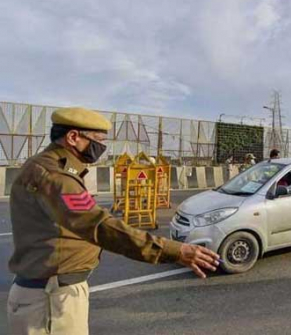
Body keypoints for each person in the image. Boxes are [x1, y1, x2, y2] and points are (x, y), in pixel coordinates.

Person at [7, 107, 220, 335]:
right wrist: (173, 251)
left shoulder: (46, 166)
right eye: (97, 140)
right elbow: (100, 225)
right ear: (73, 137)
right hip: (51, 299)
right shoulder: (57, 177)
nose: (101, 147)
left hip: (48, 292)